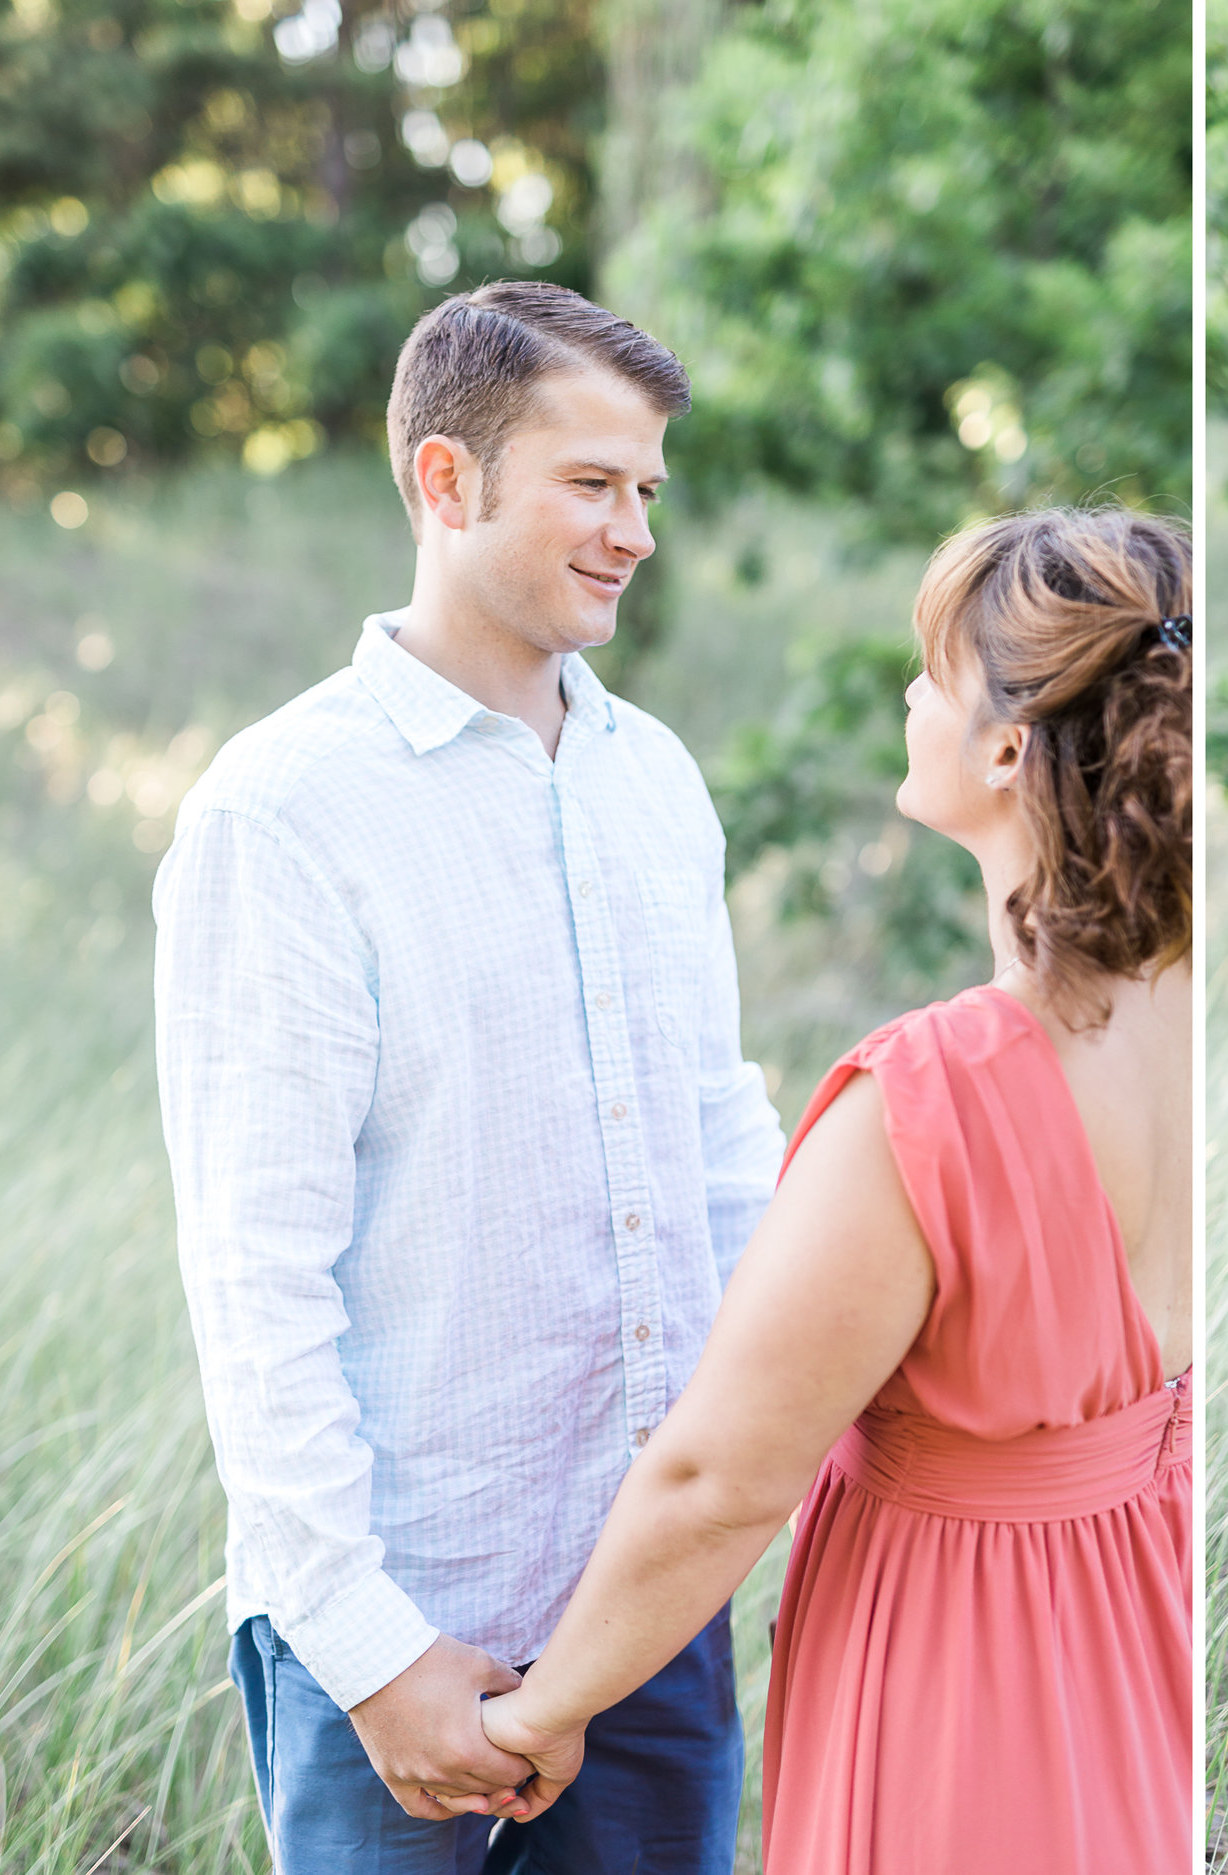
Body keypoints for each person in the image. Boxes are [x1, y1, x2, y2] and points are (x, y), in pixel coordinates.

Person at [153, 281, 783, 1863]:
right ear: (445, 480)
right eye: (591, 484)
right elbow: (255, 1277)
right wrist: (374, 1657)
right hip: (396, 1637)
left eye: (648, 490)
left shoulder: (659, 783)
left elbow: (718, 1150)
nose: (635, 530)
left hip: (649, 1617)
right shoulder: (282, 812)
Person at [470, 507, 1195, 1874]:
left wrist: (540, 1712)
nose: (907, 695)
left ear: (1003, 744)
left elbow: (719, 1479)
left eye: (931, 669)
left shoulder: (936, 1095)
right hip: (1146, 1617)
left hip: (959, 1679)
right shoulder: (1206, 1026)